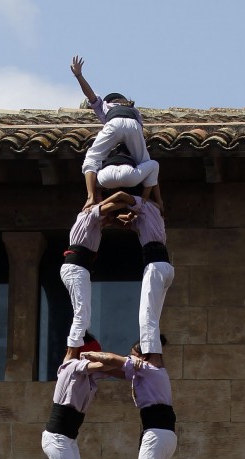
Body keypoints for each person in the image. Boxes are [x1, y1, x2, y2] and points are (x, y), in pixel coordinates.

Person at [69, 56, 161, 205]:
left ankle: (91, 197)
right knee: (145, 161)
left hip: (114, 123)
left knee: (92, 158)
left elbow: (90, 94)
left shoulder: (105, 105)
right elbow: (137, 130)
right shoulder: (133, 109)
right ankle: (151, 199)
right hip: (134, 126)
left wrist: (79, 75)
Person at [60, 199, 135, 356]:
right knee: (82, 313)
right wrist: (132, 201)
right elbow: (115, 200)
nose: (108, 222)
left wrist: (129, 218)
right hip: (76, 268)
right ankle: (70, 354)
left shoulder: (96, 223)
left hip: (80, 269)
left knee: (84, 317)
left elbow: (123, 224)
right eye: (108, 217)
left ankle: (79, 347)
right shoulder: (88, 215)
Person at [125, 197, 173, 356]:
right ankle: (152, 352)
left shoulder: (145, 206)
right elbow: (126, 223)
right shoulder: (150, 216)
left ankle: (150, 357)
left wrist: (96, 203)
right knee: (153, 315)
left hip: (155, 266)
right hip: (164, 267)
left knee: (146, 315)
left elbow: (122, 196)